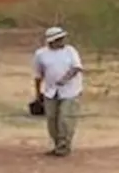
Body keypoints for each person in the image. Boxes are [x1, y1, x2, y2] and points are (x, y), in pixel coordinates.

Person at [32, 26, 84, 157]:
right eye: (58, 39)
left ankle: (64, 146)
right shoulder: (41, 54)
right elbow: (38, 75)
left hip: (70, 90)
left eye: (62, 39)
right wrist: (38, 94)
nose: (61, 41)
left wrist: (65, 79)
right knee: (52, 120)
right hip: (50, 91)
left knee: (66, 119)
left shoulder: (70, 51)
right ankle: (57, 145)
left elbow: (76, 68)